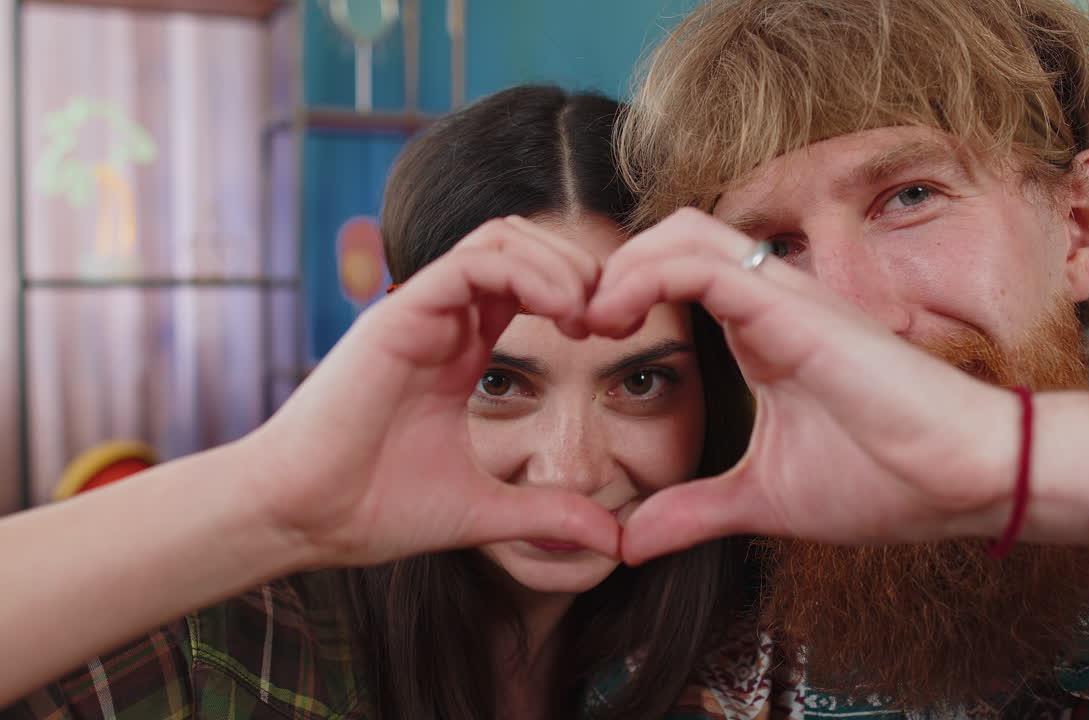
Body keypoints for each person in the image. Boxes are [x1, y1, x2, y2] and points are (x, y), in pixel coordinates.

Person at [586, 0, 1089, 716]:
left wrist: (1008, 454)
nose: (850, 321)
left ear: (1082, 226)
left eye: (911, 197)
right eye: (772, 249)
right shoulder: (656, 684)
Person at [0, 85, 752, 719]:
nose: (570, 471)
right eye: (497, 383)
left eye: (640, 384)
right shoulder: (233, 650)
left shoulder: (755, 651)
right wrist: (270, 503)